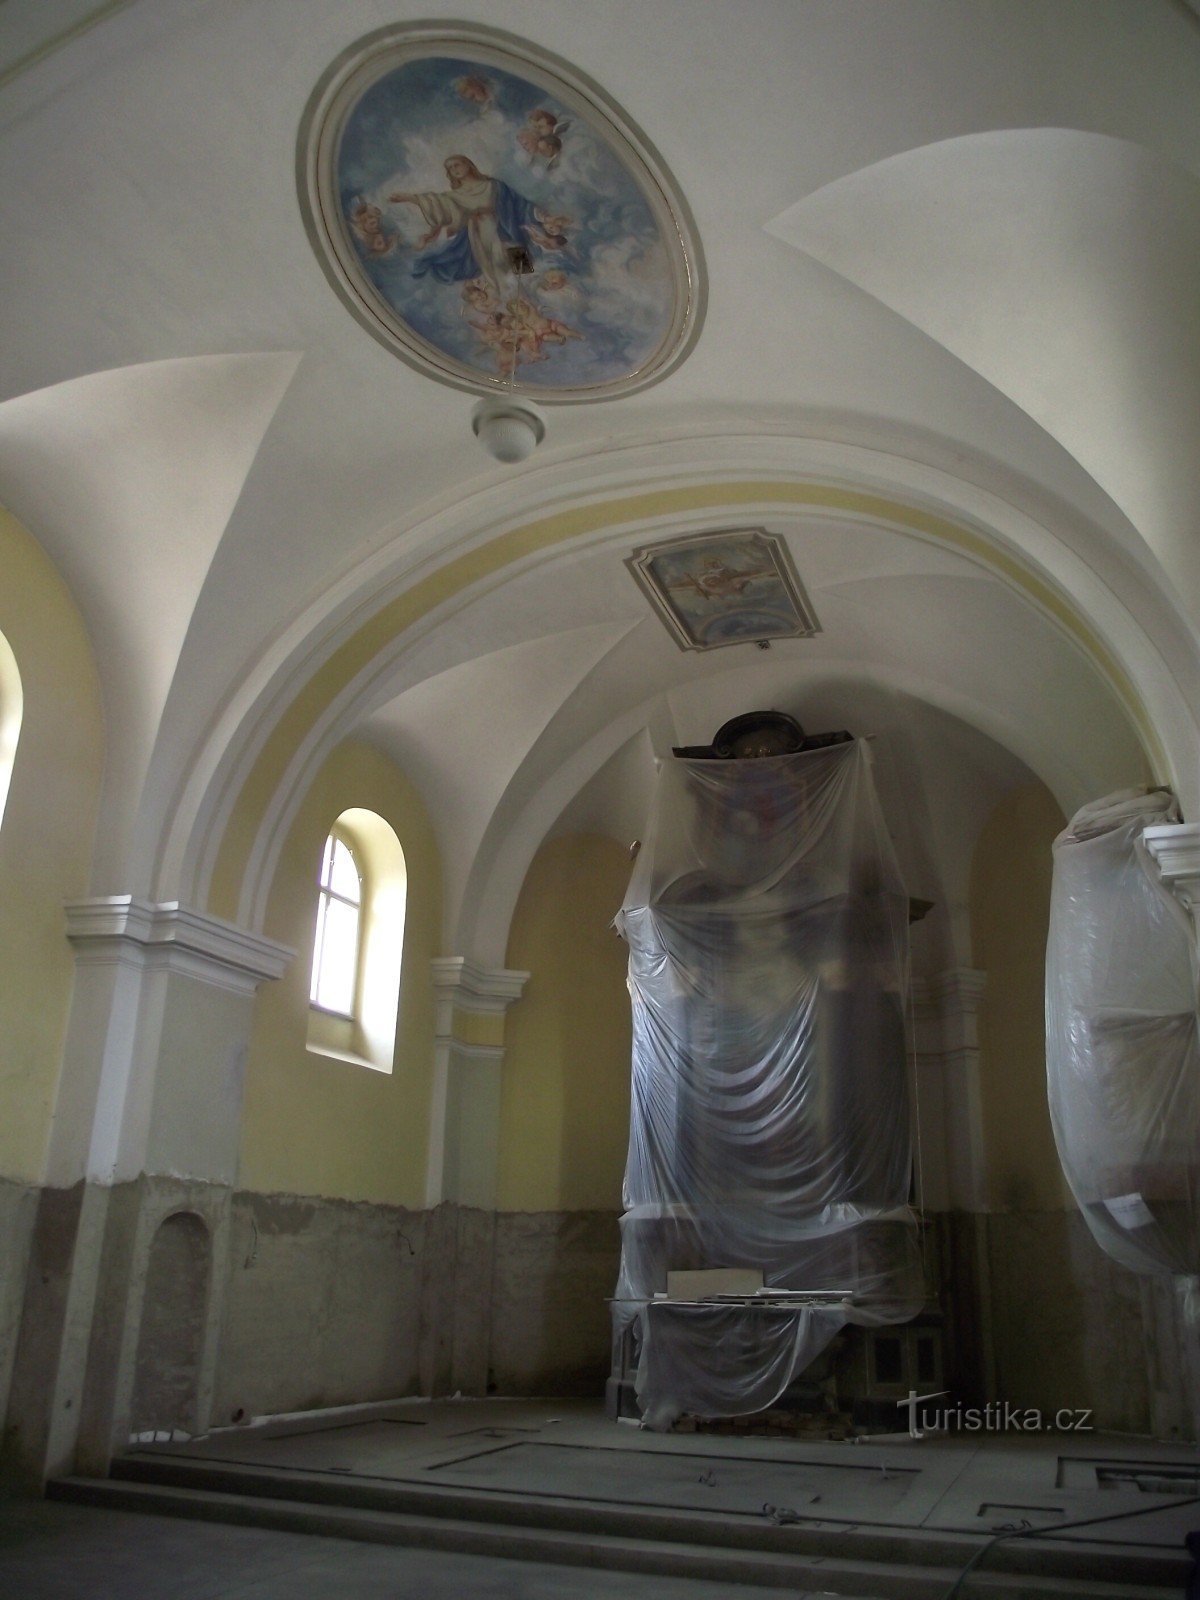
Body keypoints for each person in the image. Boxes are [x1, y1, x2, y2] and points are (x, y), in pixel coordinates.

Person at [389, 155, 559, 300]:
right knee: (495, 271)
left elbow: (519, 204)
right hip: (480, 236)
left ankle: (534, 296)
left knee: (523, 269)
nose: (454, 169)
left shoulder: (493, 185)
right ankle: (512, 302)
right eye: (450, 168)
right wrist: (410, 198)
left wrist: (544, 217)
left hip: (505, 229)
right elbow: (436, 202)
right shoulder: (456, 196)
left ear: (468, 165)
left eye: (457, 165)